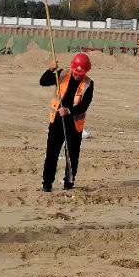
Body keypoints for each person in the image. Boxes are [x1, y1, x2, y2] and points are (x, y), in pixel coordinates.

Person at [40, 52, 94, 191]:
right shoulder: (62, 74)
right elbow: (43, 81)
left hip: (74, 125)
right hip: (56, 122)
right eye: (76, 73)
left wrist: (68, 111)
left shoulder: (88, 84)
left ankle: (69, 184)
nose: (77, 76)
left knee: (72, 156)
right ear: (72, 68)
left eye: (80, 74)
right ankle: (47, 184)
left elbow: (83, 106)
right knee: (51, 154)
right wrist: (51, 69)